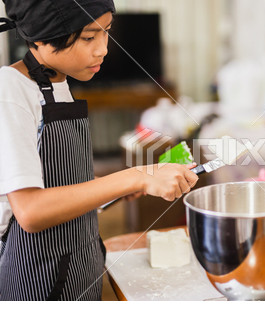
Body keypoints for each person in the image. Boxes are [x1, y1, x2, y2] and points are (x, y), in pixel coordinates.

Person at [0, 0, 198, 300]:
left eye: (106, 32)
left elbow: (63, 191)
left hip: (80, 270)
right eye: (89, 37)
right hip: (35, 283)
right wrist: (134, 176)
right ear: (41, 34)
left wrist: (113, 191)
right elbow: (30, 211)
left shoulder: (60, 84)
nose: (103, 48)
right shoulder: (10, 91)